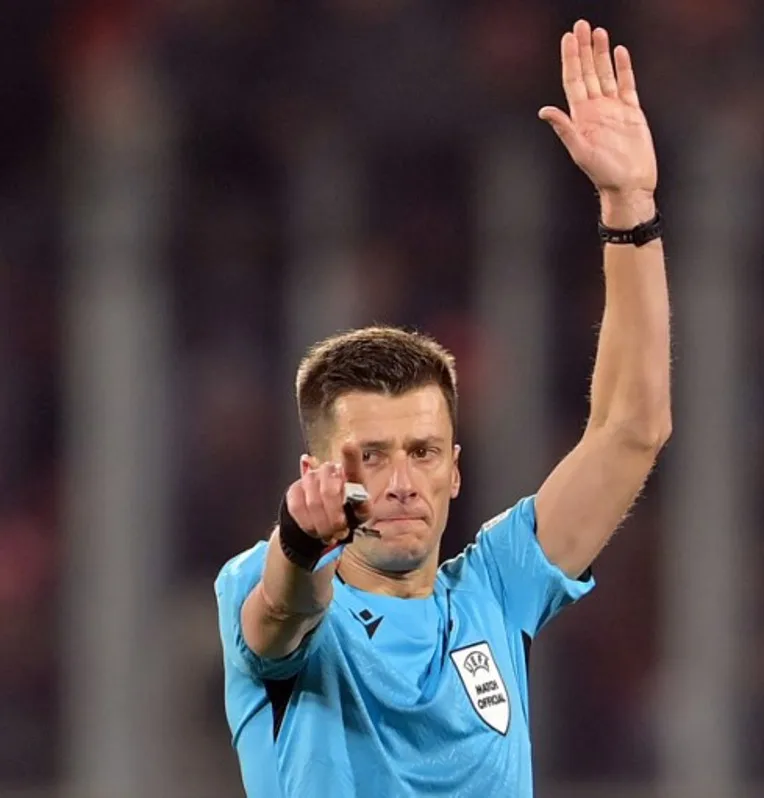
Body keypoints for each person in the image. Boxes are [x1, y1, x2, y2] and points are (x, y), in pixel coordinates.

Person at [215, 18, 670, 798]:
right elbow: (280, 616)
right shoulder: (264, 580)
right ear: (317, 473)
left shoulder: (494, 590)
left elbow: (632, 431)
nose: (399, 481)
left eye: (422, 452)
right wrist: (299, 541)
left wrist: (629, 207)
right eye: (371, 455)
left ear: (455, 470)